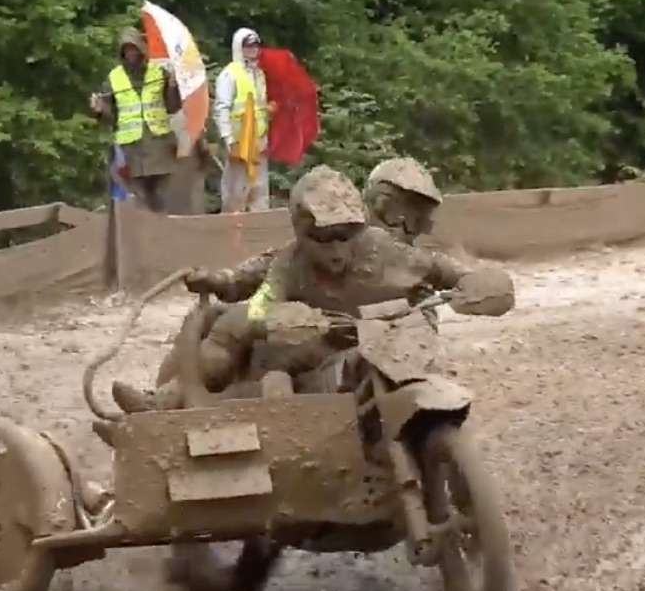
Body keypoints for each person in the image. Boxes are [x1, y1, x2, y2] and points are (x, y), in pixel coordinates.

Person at [109, 165, 514, 414]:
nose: (337, 249)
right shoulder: (289, 263)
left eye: (346, 235)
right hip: (308, 361)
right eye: (323, 238)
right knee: (236, 333)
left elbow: (447, 271)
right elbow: (254, 294)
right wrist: (226, 288)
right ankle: (169, 400)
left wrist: (475, 285)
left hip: (381, 353)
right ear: (302, 234)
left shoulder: (388, 251)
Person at [90, 27, 206, 214]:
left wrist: (172, 87)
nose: (131, 53)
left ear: (142, 48)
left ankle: (161, 234)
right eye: (127, 49)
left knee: (161, 199)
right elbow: (111, 118)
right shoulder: (114, 79)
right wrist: (100, 110)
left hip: (159, 147)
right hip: (130, 150)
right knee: (137, 200)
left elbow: (172, 107)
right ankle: (143, 237)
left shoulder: (158, 73)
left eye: (134, 48)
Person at [213, 28, 273, 213]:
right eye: (248, 46)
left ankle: (260, 236)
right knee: (236, 195)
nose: (253, 49)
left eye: (255, 45)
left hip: (258, 144)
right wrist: (228, 139)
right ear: (239, 47)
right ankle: (231, 237)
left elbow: (258, 106)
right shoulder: (229, 74)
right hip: (239, 144)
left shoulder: (260, 75)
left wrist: (269, 110)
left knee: (260, 193)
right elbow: (221, 108)